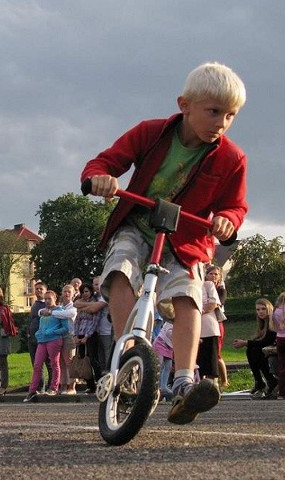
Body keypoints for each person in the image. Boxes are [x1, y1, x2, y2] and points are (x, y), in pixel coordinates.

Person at [80, 61, 247, 424]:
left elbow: (235, 205)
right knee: (122, 271)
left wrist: (226, 221)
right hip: (137, 225)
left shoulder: (232, 158)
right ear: (184, 105)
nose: (221, 122)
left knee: (189, 296)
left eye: (231, 115)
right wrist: (101, 178)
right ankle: (129, 355)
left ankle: (185, 382)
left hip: (186, 238)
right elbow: (106, 161)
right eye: (214, 112)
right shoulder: (151, 133)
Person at [24, 290, 70, 401]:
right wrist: (38, 333)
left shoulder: (60, 311)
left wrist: (52, 332)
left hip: (54, 340)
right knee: (37, 364)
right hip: (42, 340)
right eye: (46, 299)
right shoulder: (44, 311)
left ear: (55, 299)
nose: (47, 301)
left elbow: (66, 328)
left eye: (50, 298)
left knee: (54, 363)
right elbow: (41, 325)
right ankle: (32, 390)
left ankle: (53, 387)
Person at [232, 298, 277, 398]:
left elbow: (267, 341)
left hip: (277, 347)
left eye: (263, 309)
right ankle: (259, 381)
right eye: (258, 309)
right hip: (267, 348)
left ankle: (268, 380)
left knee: (256, 350)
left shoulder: (272, 321)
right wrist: (246, 343)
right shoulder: (262, 323)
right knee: (251, 350)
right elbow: (259, 340)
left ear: (269, 309)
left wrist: (245, 342)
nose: (260, 312)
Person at [73, 283, 99, 393]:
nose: (85, 294)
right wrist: (75, 335)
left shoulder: (95, 302)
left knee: (92, 359)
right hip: (80, 333)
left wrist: (87, 336)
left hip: (91, 334)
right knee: (83, 359)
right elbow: (77, 320)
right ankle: (90, 384)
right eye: (83, 292)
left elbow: (95, 321)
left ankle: (99, 382)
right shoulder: (80, 303)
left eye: (87, 291)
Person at [205, 265, 229, 388]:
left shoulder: (220, 290)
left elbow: (217, 303)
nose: (213, 276)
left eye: (216, 274)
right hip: (204, 323)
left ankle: (224, 380)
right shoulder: (202, 287)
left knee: (216, 353)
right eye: (211, 274)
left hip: (216, 322)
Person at [27, 281, 52, 393]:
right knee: (36, 364)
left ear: (45, 290)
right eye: (36, 289)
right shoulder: (34, 304)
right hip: (32, 338)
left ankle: (51, 385)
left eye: (41, 289)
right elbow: (31, 320)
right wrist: (28, 332)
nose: (38, 291)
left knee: (48, 362)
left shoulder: (48, 305)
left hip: (44, 338)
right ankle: (39, 386)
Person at [53, 284, 78, 394]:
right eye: (65, 291)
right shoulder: (60, 306)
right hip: (60, 336)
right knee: (61, 362)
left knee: (69, 362)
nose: (66, 294)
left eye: (69, 292)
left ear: (73, 295)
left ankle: (72, 387)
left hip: (70, 336)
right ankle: (63, 385)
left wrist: (52, 312)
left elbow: (67, 314)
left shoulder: (73, 307)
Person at [197, 278, 222, 384]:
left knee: (210, 360)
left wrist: (199, 312)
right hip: (193, 328)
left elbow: (214, 303)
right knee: (197, 361)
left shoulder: (208, 285)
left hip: (208, 327)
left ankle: (212, 386)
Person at [152, 320, 174, 401]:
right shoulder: (170, 321)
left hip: (170, 346)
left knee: (168, 366)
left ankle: (163, 386)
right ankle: (156, 387)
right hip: (161, 343)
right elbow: (169, 332)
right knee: (159, 365)